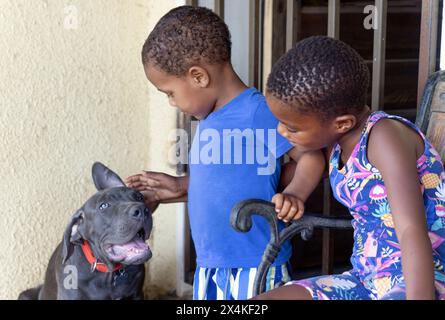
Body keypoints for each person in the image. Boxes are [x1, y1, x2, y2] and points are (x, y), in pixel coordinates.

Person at [125, 6, 325, 300]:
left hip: (256, 264)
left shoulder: (257, 112)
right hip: (211, 265)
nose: (171, 102)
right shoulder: (208, 121)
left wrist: (295, 193)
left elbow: (311, 156)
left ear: (198, 77)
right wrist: (179, 187)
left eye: (169, 92)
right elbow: (228, 181)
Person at [253, 35, 445, 300]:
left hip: (418, 281)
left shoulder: (384, 137)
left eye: (292, 127)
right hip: (365, 280)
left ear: (342, 123)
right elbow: (312, 158)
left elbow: (411, 230)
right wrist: (295, 193)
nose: (280, 130)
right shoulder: (335, 142)